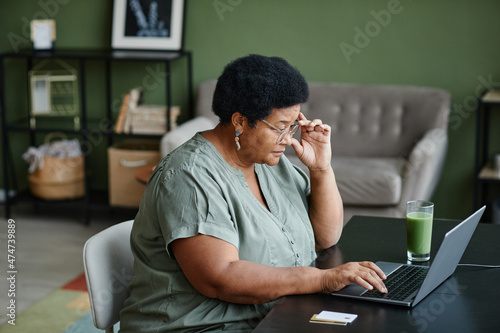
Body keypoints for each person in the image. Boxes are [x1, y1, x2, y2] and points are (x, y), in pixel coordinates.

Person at [119, 54, 387, 332]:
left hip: (275, 315)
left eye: (293, 125)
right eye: (280, 127)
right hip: (200, 327)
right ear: (240, 122)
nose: (289, 138)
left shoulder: (269, 162)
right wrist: (321, 279)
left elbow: (325, 237)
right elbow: (219, 278)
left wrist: (321, 170)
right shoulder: (188, 176)